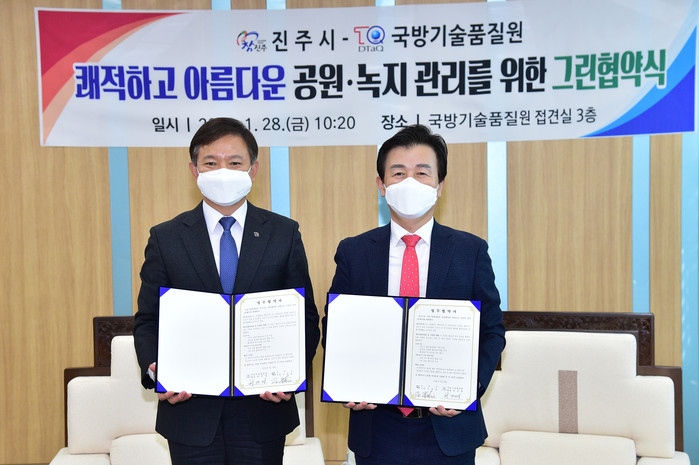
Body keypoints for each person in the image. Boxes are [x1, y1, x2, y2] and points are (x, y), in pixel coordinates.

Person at [133, 117, 320, 465]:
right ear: (194, 170)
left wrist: (291, 375)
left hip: (263, 410)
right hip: (189, 411)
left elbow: (306, 318)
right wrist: (158, 371)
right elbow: (147, 320)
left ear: (253, 169)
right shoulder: (166, 237)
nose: (223, 171)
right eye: (210, 162)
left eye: (234, 162)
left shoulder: (283, 233)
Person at [324, 124, 505, 465]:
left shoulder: (470, 251)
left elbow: (492, 332)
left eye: (422, 173)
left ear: (440, 186)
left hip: (449, 430)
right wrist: (346, 383)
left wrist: (467, 390)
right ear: (381, 186)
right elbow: (335, 326)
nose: (410, 182)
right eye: (398, 173)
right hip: (377, 426)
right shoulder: (354, 252)